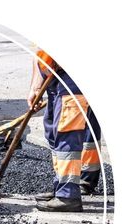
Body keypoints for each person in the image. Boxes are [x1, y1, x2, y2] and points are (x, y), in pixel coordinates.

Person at [28, 49, 101, 212]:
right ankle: (67, 184)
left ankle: (67, 195)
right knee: (55, 127)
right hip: (55, 77)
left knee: (66, 129)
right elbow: (38, 49)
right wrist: (36, 83)